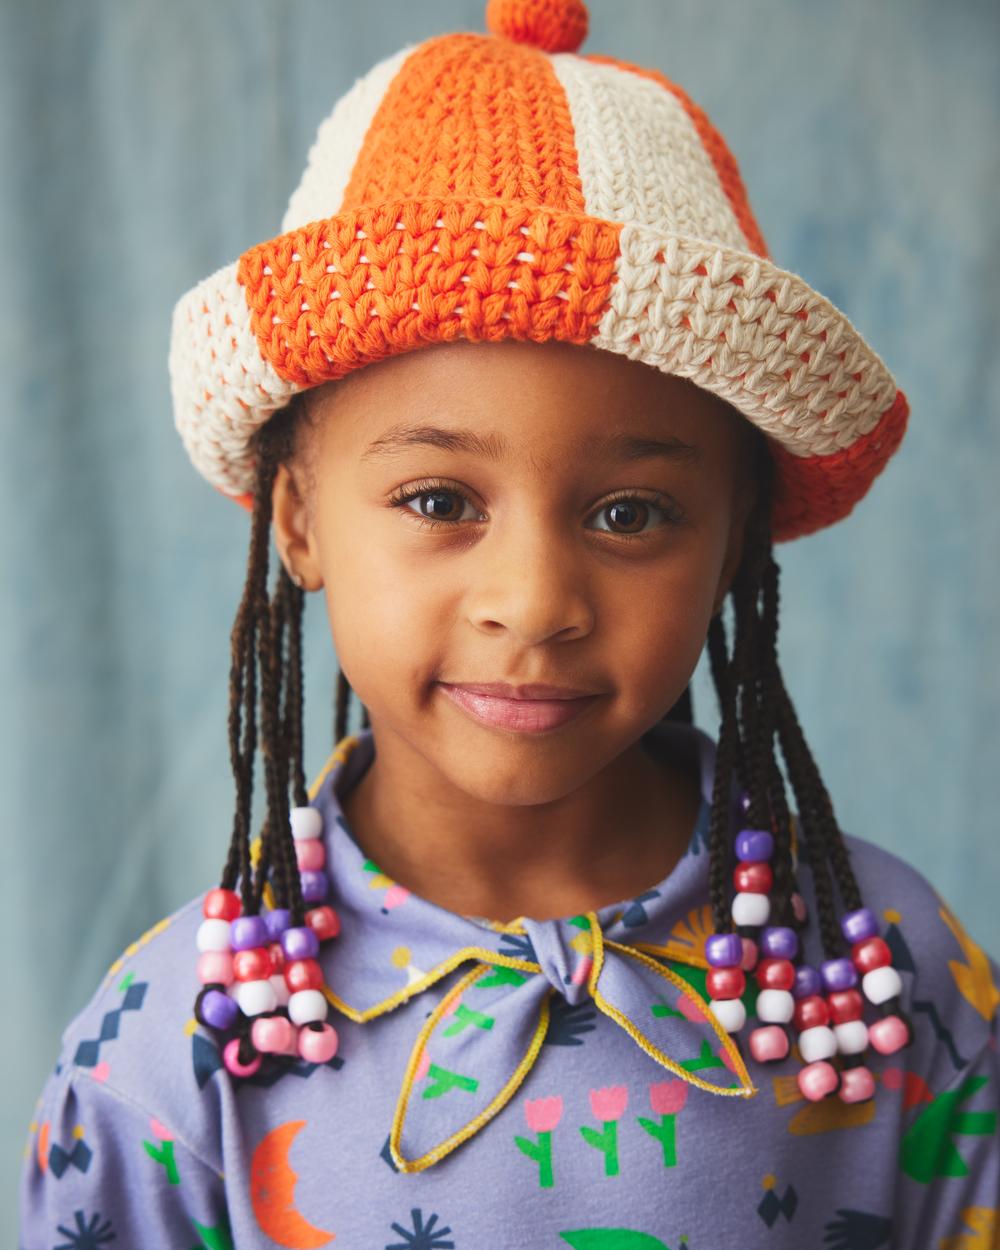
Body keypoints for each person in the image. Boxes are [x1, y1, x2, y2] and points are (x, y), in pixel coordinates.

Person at [20, 1, 999, 1246]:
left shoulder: (878, 975)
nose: (533, 602)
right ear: (299, 519)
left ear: (735, 539)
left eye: (632, 512)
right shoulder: (173, 1042)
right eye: (438, 500)